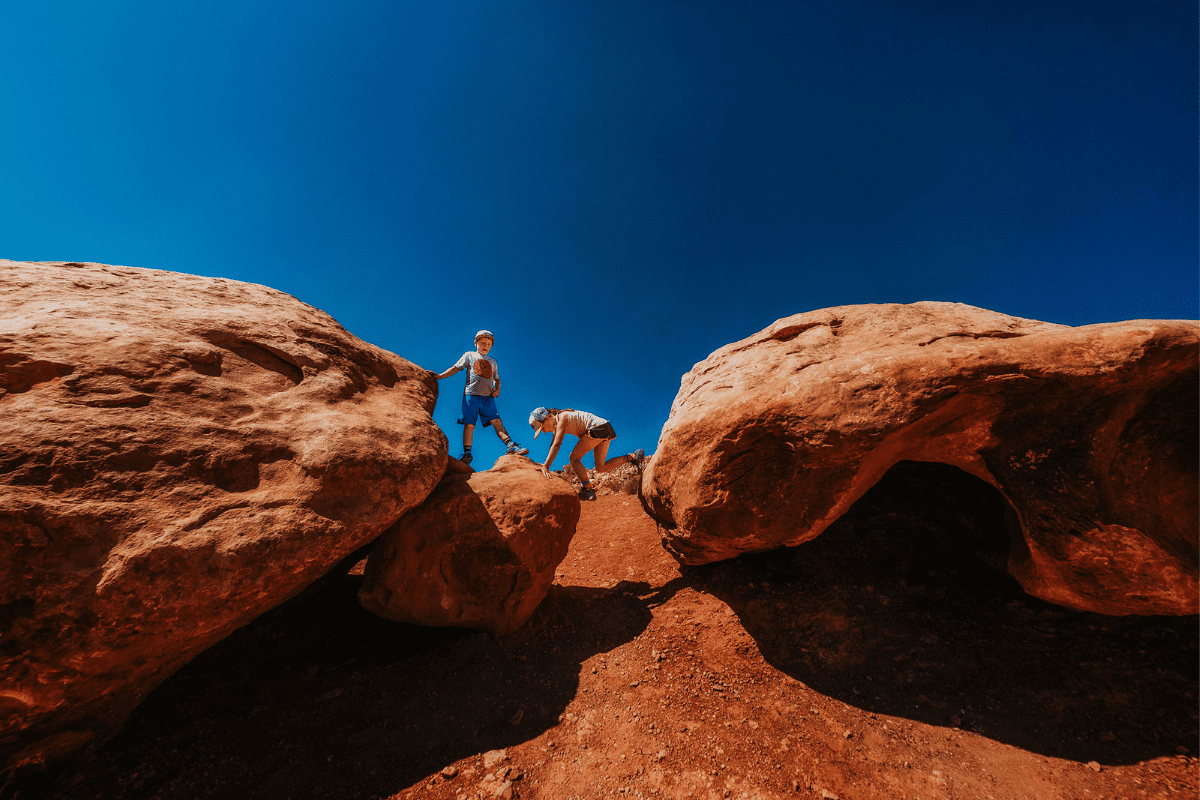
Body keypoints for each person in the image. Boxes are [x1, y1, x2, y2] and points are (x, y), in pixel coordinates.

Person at [430, 330, 528, 465]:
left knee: (497, 423)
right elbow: (455, 368)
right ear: (475, 343)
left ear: (491, 346)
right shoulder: (469, 355)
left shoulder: (493, 361)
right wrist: (440, 376)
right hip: (471, 396)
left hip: (487, 398)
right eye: (482, 342)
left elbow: (497, 379)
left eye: (488, 344)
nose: (485, 346)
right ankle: (467, 454)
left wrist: (497, 389)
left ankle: (512, 447)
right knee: (469, 425)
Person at [528, 406, 643, 501]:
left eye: (542, 428)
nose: (543, 431)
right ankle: (634, 456)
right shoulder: (557, 425)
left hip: (597, 429)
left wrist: (546, 466)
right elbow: (552, 445)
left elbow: (557, 445)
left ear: (548, 417)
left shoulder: (562, 418)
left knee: (574, 458)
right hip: (605, 428)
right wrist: (545, 464)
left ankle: (588, 490)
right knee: (600, 467)